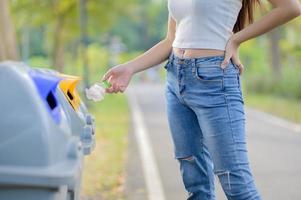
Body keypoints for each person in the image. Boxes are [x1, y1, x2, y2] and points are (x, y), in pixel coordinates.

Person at [101, 0, 301, 199]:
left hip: (215, 80)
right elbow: (171, 40)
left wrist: (236, 39)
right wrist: (130, 68)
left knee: (237, 185)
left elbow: (291, 7)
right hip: (175, 79)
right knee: (196, 185)